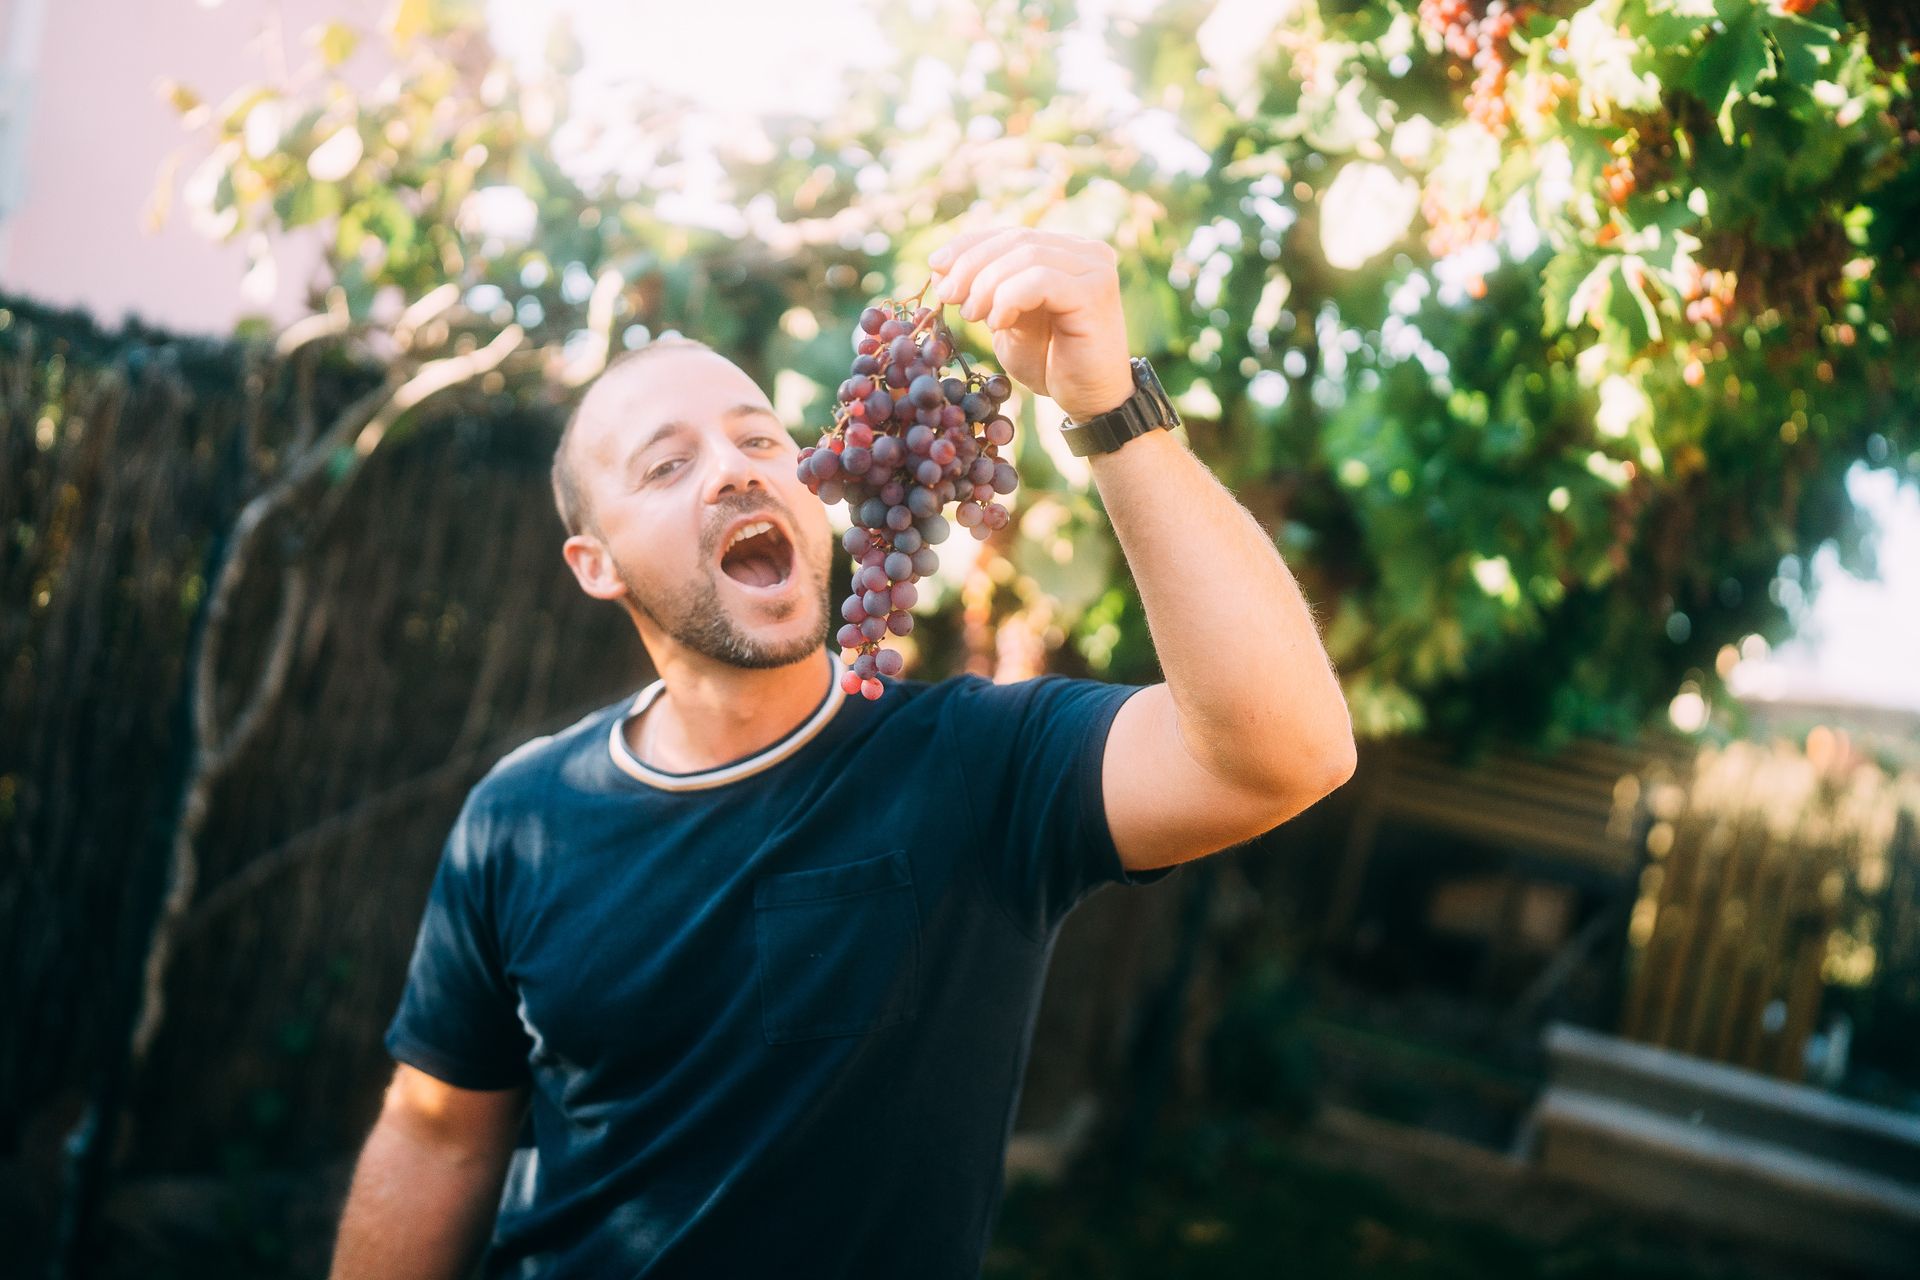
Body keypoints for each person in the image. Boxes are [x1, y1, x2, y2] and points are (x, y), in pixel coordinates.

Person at [327, 227, 1356, 1279]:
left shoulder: (978, 765)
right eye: (668, 465)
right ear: (596, 564)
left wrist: (1111, 408)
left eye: (760, 439)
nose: (733, 470)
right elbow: (438, 1135)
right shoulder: (520, 815)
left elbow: (1287, 751)